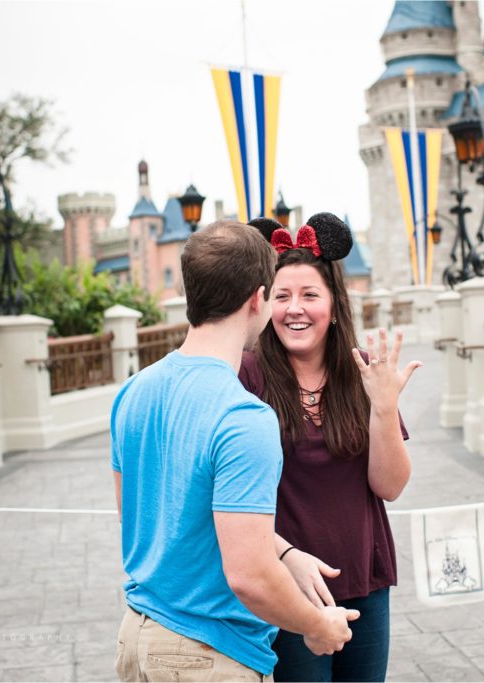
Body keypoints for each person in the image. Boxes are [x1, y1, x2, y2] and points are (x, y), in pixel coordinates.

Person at [111, 221, 359, 683]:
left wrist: (284, 552)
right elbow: (248, 576)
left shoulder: (134, 391)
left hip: (137, 639)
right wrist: (317, 625)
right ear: (257, 298)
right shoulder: (244, 417)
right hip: (206, 654)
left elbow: (142, 516)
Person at [242, 213, 422, 682]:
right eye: (281, 296)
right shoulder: (247, 376)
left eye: (309, 295)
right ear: (264, 306)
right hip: (287, 588)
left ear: (335, 307)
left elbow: (390, 485)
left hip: (365, 580)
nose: (294, 308)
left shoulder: (363, 372)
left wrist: (383, 406)